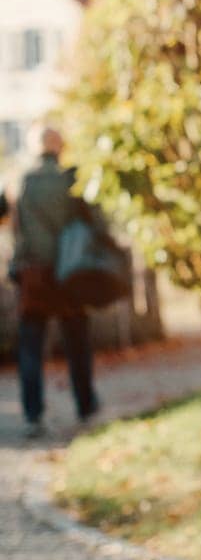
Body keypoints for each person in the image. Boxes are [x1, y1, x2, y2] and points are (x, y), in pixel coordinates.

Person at [9, 125, 101, 439]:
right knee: (77, 344)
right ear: (59, 146)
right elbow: (89, 225)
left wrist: (16, 267)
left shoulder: (23, 183)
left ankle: (33, 416)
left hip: (33, 273)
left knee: (31, 348)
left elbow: (18, 231)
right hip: (68, 273)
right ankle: (86, 409)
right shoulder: (69, 180)